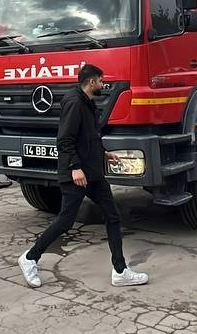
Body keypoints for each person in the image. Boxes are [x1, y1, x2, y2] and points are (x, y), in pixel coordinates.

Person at [17, 64, 149, 289]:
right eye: (100, 80)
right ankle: (30, 258)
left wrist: (104, 154)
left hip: (94, 173)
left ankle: (120, 270)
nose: (103, 84)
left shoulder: (87, 103)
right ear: (91, 82)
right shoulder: (75, 103)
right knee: (66, 220)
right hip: (78, 174)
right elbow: (65, 139)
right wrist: (75, 168)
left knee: (113, 215)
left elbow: (88, 137)